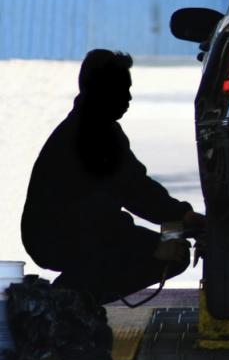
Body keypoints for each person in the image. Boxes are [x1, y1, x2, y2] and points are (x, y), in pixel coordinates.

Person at [21, 49, 205, 304]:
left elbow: (135, 186)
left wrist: (181, 216)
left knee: (166, 252)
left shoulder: (96, 128)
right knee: (166, 255)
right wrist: (156, 246)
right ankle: (65, 302)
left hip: (66, 231)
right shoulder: (88, 137)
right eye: (123, 89)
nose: (129, 97)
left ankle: (73, 301)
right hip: (59, 235)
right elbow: (112, 205)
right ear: (104, 91)